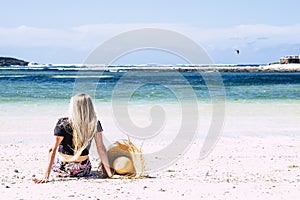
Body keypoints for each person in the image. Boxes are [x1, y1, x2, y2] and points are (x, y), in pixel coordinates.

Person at [33, 93, 113, 183]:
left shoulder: (63, 123)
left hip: (62, 169)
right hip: (83, 169)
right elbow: (101, 148)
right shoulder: (94, 124)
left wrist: (46, 176)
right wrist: (109, 174)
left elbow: (52, 150)